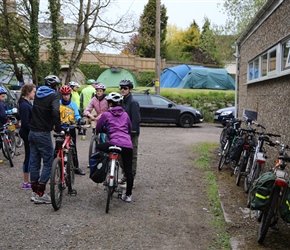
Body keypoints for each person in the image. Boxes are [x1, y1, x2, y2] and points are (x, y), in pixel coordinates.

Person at [28, 75, 62, 204]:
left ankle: (34, 191)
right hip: (42, 133)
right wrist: (58, 128)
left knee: (35, 162)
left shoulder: (38, 93)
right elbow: (55, 112)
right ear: (54, 86)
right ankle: (41, 193)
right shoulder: (53, 96)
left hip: (32, 132)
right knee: (48, 162)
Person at [95, 92, 133, 202]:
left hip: (112, 143)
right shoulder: (125, 115)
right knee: (128, 171)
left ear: (110, 103)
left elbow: (98, 128)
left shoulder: (106, 115)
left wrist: (106, 129)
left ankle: (104, 167)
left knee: (99, 146)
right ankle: (128, 196)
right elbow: (129, 128)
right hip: (126, 145)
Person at [118, 79, 141, 185]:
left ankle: (131, 177)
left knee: (132, 157)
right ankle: (125, 175)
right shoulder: (122, 101)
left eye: (125, 88)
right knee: (120, 155)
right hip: (122, 133)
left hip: (131, 134)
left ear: (130, 89)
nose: (122, 90)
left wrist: (133, 132)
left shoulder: (133, 102)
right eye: (121, 88)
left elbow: (136, 119)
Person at [59, 85, 85, 175]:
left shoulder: (73, 104)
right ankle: (55, 166)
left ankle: (75, 167)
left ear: (70, 94)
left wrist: (79, 120)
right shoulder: (58, 103)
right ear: (62, 95)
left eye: (68, 94)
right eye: (64, 94)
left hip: (71, 127)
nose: (66, 96)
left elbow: (77, 115)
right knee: (58, 147)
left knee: (73, 148)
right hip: (61, 128)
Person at [18, 83, 36, 190]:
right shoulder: (24, 105)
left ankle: (28, 179)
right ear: (28, 92)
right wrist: (35, 128)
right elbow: (25, 123)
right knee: (28, 156)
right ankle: (25, 181)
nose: (35, 94)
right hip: (27, 133)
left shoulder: (26, 103)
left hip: (28, 132)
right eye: (34, 92)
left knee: (30, 156)